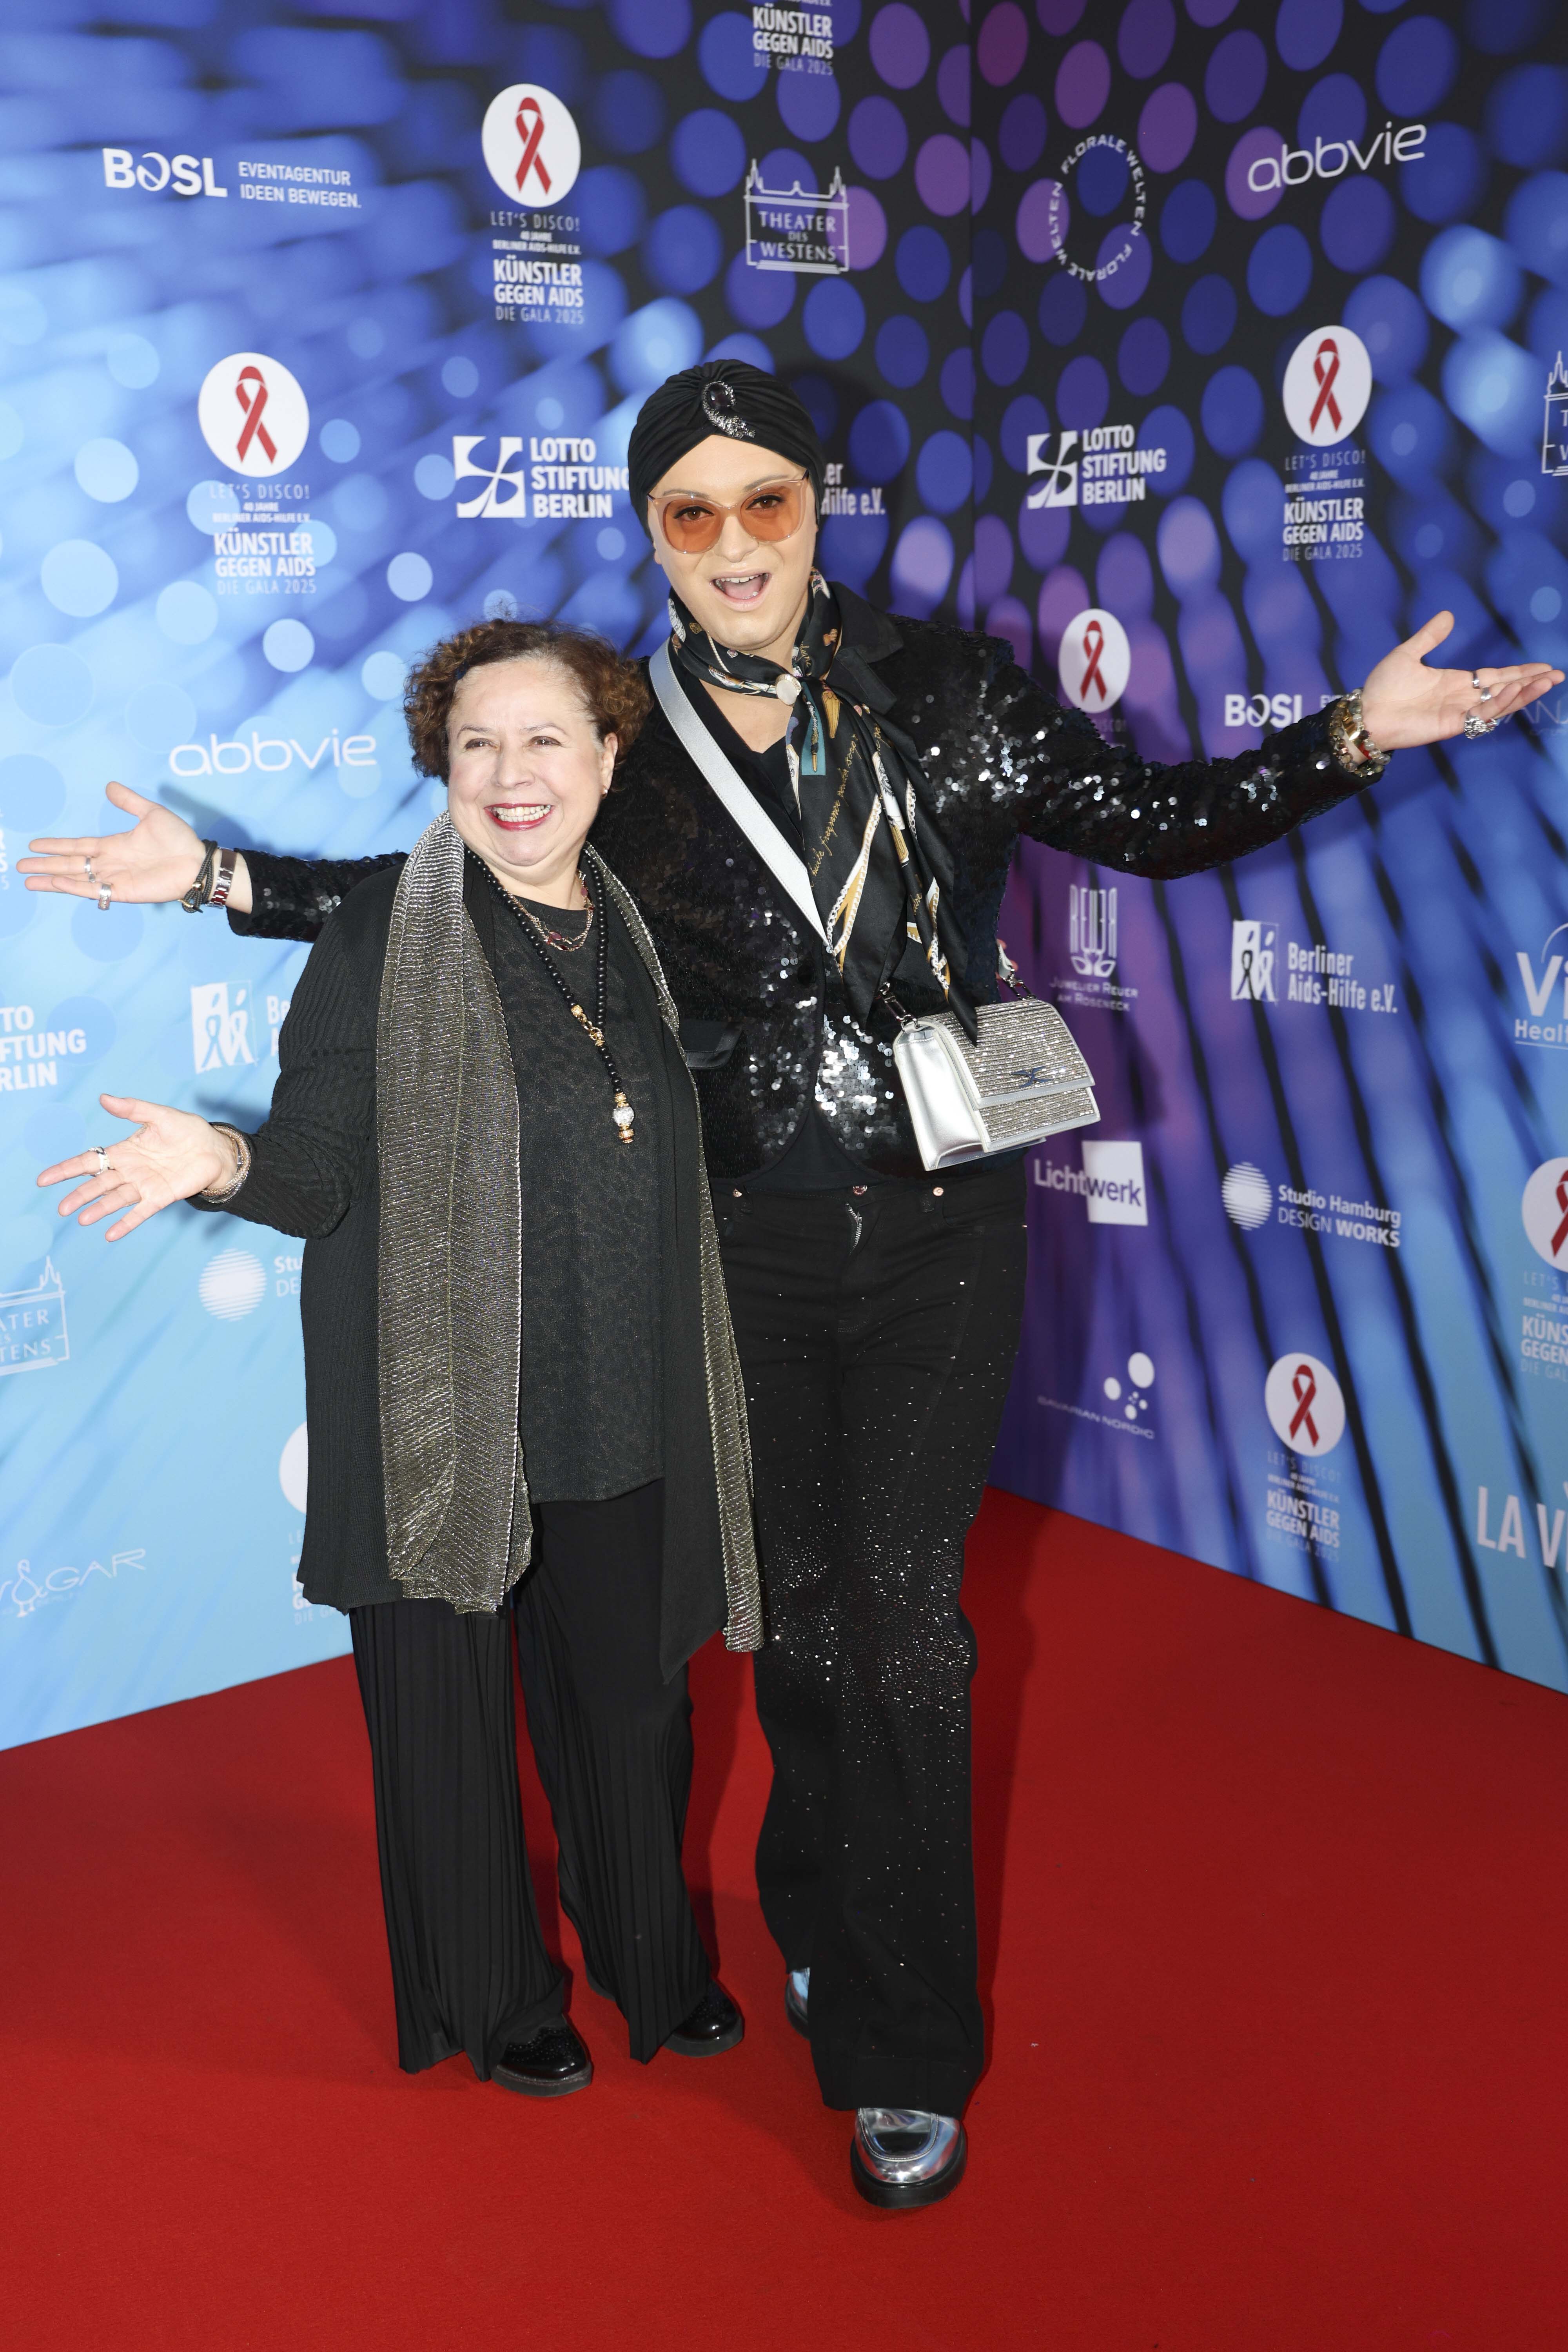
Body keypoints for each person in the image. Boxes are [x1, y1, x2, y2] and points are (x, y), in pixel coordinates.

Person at [27, 361, 1561, 2207]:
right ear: (653, 535)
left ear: (814, 506)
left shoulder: (956, 692)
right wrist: (213, 873)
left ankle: (903, 2047)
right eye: (692, 512)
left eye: (765, 501)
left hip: (940, 1228)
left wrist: (1349, 737)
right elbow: (450, 886)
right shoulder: (627, 743)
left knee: (907, 1621)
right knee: (804, 1618)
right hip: (729, 1242)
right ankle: (832, 1901)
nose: (735, 544)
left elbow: (1150, 821)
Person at [34, 621, 760, 2102]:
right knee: (445, 1728)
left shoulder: (639, 928)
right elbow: (316, 1168)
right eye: (475, 745)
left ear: (608, 760)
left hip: (621, 1397)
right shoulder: (386, 933)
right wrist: (224, 1160)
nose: (509, 773)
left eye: (544, 739)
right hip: (435, 1406)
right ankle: (500, 1997)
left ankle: (650, 1955)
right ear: (443, 770)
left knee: (634, 1713)